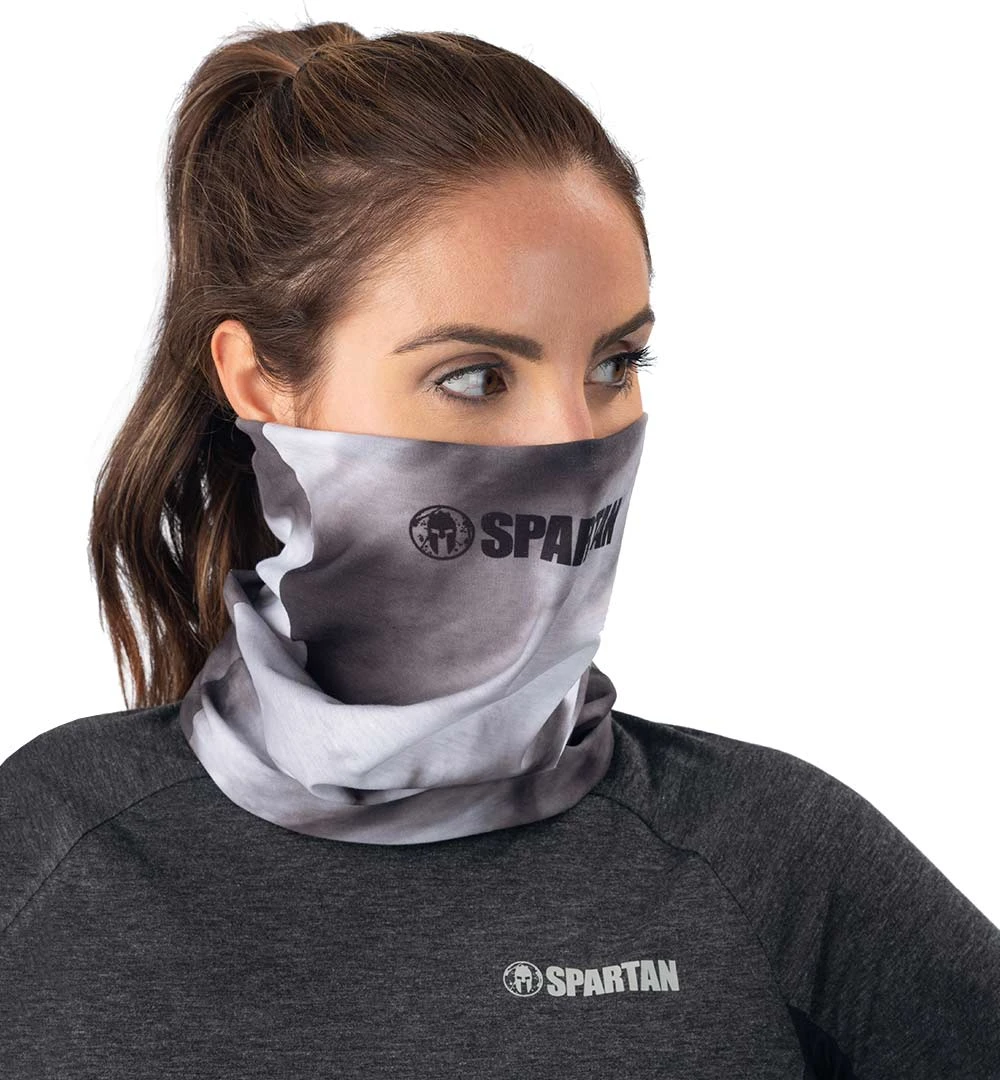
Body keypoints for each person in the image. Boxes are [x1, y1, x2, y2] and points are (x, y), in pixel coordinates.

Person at [2, 19, 998, 1079]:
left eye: (614, 364)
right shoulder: (53, 850)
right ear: (260, 384)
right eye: (476, 377)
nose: (571, 437)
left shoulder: (772, 861)